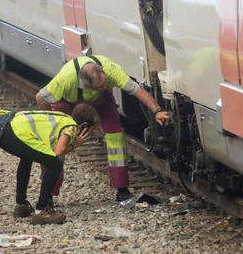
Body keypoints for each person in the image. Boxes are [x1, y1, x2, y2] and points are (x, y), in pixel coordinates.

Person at [36, 55, 170, 202]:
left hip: (101, 101)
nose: (104, 86)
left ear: (103, 73)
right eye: (99, 86)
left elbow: (136, 90)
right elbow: (40, 98)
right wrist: (51, 124)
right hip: (66, 102)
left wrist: (157, 110)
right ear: (85, 85)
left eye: (105, 83)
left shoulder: (111, 71)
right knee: (57, 144)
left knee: (116, 136)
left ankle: (122, 190)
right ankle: (47, 193)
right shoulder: (66, 79)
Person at [0, 104, 99, 224]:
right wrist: (74, 145)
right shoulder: (71, 127)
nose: (91, 133)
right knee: (55, 164)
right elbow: (58, 152)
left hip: (7, 129)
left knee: (27, 157)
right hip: (16, 132)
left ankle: (21, 205)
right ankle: (41, 211)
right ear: (84, 126)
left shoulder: (64, 118)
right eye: (91, 130)